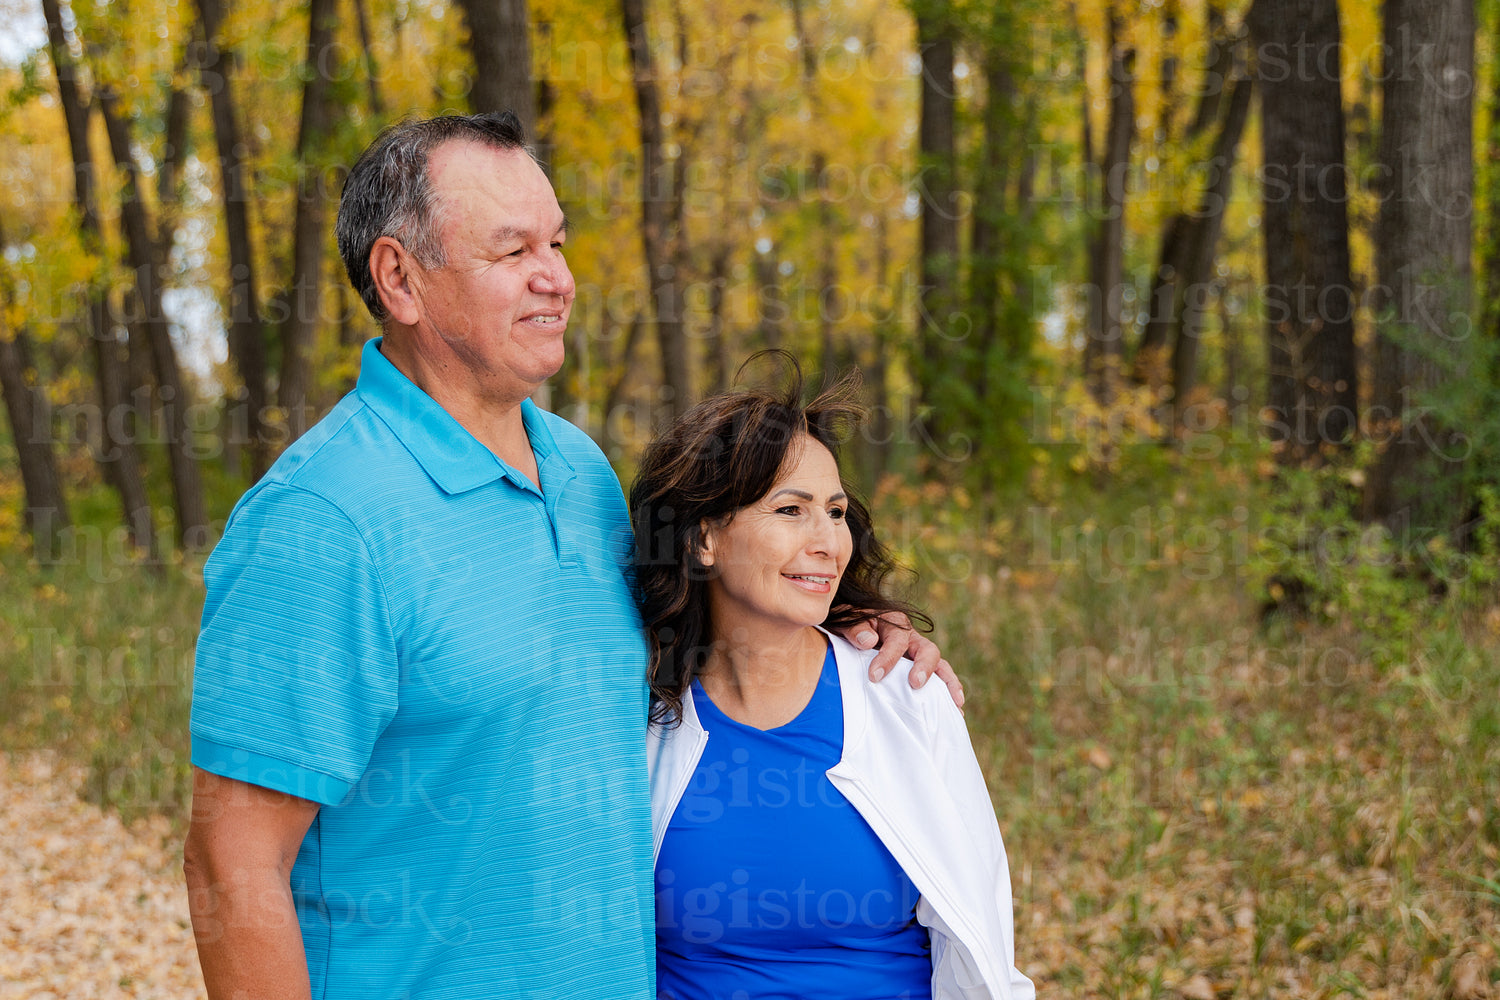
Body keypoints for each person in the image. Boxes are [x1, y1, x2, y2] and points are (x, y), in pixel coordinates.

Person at [184, 112, 955, 1000]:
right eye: (513, 252)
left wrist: (849, 619)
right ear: (400, 277)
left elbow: (696, 624)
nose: (556, 278)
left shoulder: (580, 471)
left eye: (557, 242)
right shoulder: (321, 520)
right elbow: (229, 868)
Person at [632, 365, 1034, 1000]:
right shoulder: (639, 720)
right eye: (791, 510)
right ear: (703, 537)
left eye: (837, 511)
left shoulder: (906, 698)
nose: (828, 541)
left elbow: (984, 944)